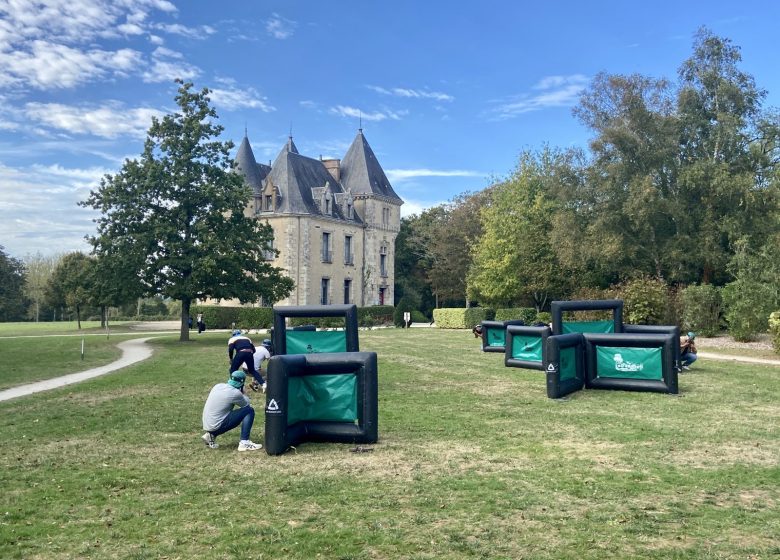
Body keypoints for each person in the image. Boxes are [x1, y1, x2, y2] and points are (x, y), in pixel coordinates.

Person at [201, 370, 262, 451]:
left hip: (208, 424)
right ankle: (244, 442)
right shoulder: (235, 393)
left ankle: (210, 435)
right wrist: (243, 393)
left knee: (221, 415)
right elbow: (246, 404)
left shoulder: (218, 386)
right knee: (249, 411)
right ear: (242, 382)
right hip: (217, 425)